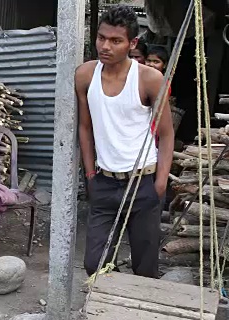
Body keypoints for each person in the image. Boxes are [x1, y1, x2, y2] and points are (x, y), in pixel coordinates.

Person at [76, 5, 174, 280]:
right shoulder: (85, 75)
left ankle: (138, 318)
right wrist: (90, 174)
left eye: (115, 41)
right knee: (95, 263)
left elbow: (166, 134)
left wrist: (161, 183)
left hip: (144, 182)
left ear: (132, 43)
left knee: (144, 266)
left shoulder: (149, 79)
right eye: (101, 38)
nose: (105, 46)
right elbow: (85, 127)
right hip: (105, 183)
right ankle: (109, 307)